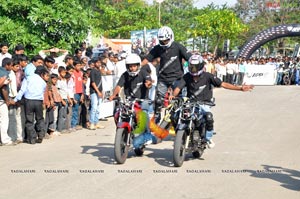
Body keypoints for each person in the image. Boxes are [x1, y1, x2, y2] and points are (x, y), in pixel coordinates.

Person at [170, 54, 254, 148]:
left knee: (209, 117)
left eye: (195, 67)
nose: (193, 69)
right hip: (190, 103)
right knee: (175, 114)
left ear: (201, 66)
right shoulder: (186, 77)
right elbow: (178, 88)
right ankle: (179, 136)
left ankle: (208, 139)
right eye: (192, 67)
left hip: (204, 103)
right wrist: (173, 96)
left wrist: (240, 88)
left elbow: (223, 84)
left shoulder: (208, 76)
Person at [141, 26, 192, 123]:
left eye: (166, 40)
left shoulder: (178, 46)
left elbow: (189, 57)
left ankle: (179, 121)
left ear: (171, 37)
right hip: (163, 79)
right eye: (162, 41)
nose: (164, 42)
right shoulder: (158, 48)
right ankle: (156, 118)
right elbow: (147, 59)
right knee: (158, 101)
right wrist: (138, 66)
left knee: (178, 101)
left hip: (177, 78)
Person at [109, 53, 156, 149]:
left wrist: (148, 84)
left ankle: (147, 136)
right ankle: (122, 131)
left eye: (134, 66)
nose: (132, 68)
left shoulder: (143, 73)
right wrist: (113, 95)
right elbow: (119, 86)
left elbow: (149, 81)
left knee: (144, 114)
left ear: (138, 65)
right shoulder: (125, 75)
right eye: (130, 66)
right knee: (117, 112)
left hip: (142, 100)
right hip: (129, 100)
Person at [13, 66, 50, 144]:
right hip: (39, 101)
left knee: (29, 120)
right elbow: (42, 92)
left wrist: (15, 99)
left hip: (29, 101)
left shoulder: (28, 78)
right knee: (40, 118)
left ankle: (32, 139)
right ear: (42, 74)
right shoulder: (43, 82)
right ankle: (41, 134)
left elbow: (22, 90)